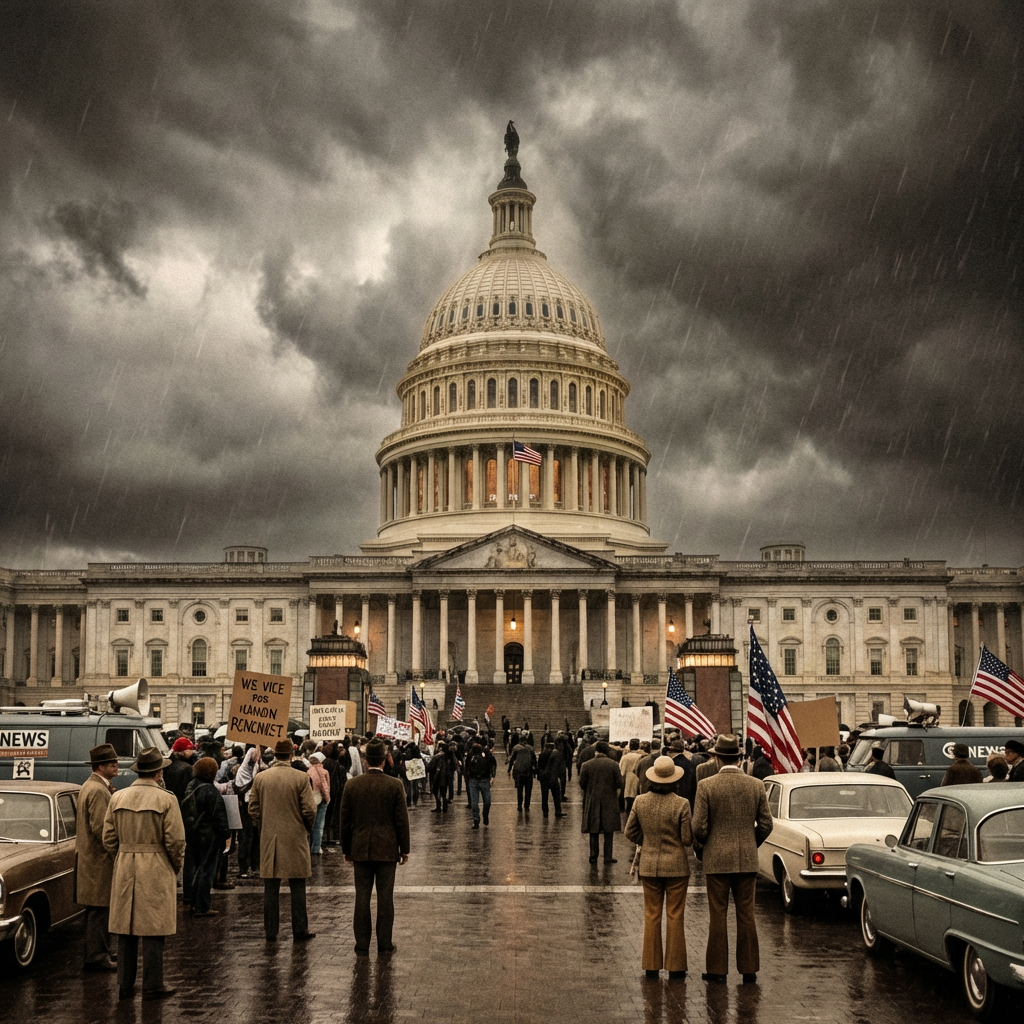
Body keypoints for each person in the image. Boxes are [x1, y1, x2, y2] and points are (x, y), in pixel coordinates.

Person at [102, 746, 185, 1001]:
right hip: (157, 862)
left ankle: (125, 985)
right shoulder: (167, 799)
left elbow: (108, 837)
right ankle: (152, 983)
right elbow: (176, 841)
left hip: (126, 862)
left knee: (125, 928)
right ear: (158, 773)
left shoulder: (118, 798)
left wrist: (124, 855)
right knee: (153, 927)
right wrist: (175, 866)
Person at [691, 734, 773, 984]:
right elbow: (767, 824)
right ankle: (749, 969)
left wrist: (705, 846)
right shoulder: (756, 785)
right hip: (746, 859)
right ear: (739, 759)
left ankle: (717, 970)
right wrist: (751, 841)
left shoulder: (706, 785)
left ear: (716, 758)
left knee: (718, 915)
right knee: (747, 914)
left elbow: (699, 827)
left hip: (716, 859)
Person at [624, 755, 693, 980]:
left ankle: (651, 965)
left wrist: (647, 840)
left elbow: (629, 831)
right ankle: (675, 966)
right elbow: (686, 839)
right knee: (675, 915)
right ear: (674, 780)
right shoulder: (682, 803)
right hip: (676, 866)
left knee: (652, 914)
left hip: (650, 864)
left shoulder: (640, 801)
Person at [340, 738, 411, 956]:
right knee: (385, 898)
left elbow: (345, 820)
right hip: (387, 849)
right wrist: (404, 848)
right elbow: (401, 820)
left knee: (361, 897)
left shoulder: (352, 784)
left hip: (360, 848)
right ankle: (384, 943)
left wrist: (346, 848)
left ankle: (361, 944)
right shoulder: (394, 785)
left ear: (365, 759)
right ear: (383, 760)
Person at [248, 738, 317, 942]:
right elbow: (309, 809)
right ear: (291, 755)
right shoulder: (300, 778)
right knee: (298, 886)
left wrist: (264, 825)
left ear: (275, 755)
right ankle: (299, 929)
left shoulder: (261, 778)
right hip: (295, 836)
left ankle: (271, 931)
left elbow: (253, 808)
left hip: (270, 837)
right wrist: (306, 826)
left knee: (271, 887)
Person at [75, 742, 119, 971]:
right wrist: (116, 851)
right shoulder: (97, 790)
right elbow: (102, 828)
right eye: (112, 763)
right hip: (98, 860)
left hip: (93, 859)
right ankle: (97, 956)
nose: (117, 765)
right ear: (100, 766)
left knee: (98, 909)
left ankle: (100, 951)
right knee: (99, 910)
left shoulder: (95, 786)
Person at [181, 756, 229, 917]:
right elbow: (219, 815)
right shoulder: (210, 790)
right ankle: (203, 905)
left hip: (193, 833)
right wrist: (225, 834)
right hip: (209, 835)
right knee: (207, 870)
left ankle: (193, 902)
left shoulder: (191, 785)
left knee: (195, 868)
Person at [579, 741, 623, 864]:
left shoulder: (586, 765)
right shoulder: (614, 764)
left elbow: (582, 783)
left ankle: (593, 855)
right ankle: (607, 856)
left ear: (596, 751)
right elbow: (619, 783)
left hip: (593, 799)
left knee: (593, 829)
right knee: (609, 830)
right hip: (609, 799)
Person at [464, 734, 497, 828]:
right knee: (474, 803)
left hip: (484, 779)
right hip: (473, 780)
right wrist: (467, 777)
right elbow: (466, 767)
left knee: (487, 801)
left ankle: (485, 815)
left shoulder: (486, 753)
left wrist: (493, 776)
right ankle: (476, 820)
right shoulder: (470, 754)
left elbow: (493, 763)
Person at [307, 751, 332, 854]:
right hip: (321, 799)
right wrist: (327, 798)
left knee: (310, 824)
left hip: (310, 799)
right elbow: (326, 786)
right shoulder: (324, 772)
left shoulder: (308, 771)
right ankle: (316, 847)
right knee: (319, 824)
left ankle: (308, 846)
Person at [508, 732, 537, 812]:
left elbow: (512, 760)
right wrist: (536, 771)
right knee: (528, 790)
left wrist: (509, 769)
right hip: (528, 771)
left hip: (519, 772)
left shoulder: (516, 748)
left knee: (519, 790)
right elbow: (534, 760)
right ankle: (527, 805)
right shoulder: (530, 748)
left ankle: (519, 805)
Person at [537, 740, 565, 818]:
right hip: (554, 777)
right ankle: (558, 811)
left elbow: (539, 766)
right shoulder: (557, 755)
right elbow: (560, 767)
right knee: (556, 795)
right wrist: (560, 776)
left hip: (544, 778)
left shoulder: (542, 755)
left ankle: (545, 811)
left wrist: (539, 776)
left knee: (544, 796)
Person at [619, 738, 644, 815]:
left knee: (629, 798)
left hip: (628, 780)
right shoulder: (641, 756)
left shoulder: (625, 757)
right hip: (638, 779)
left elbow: (621, 770)